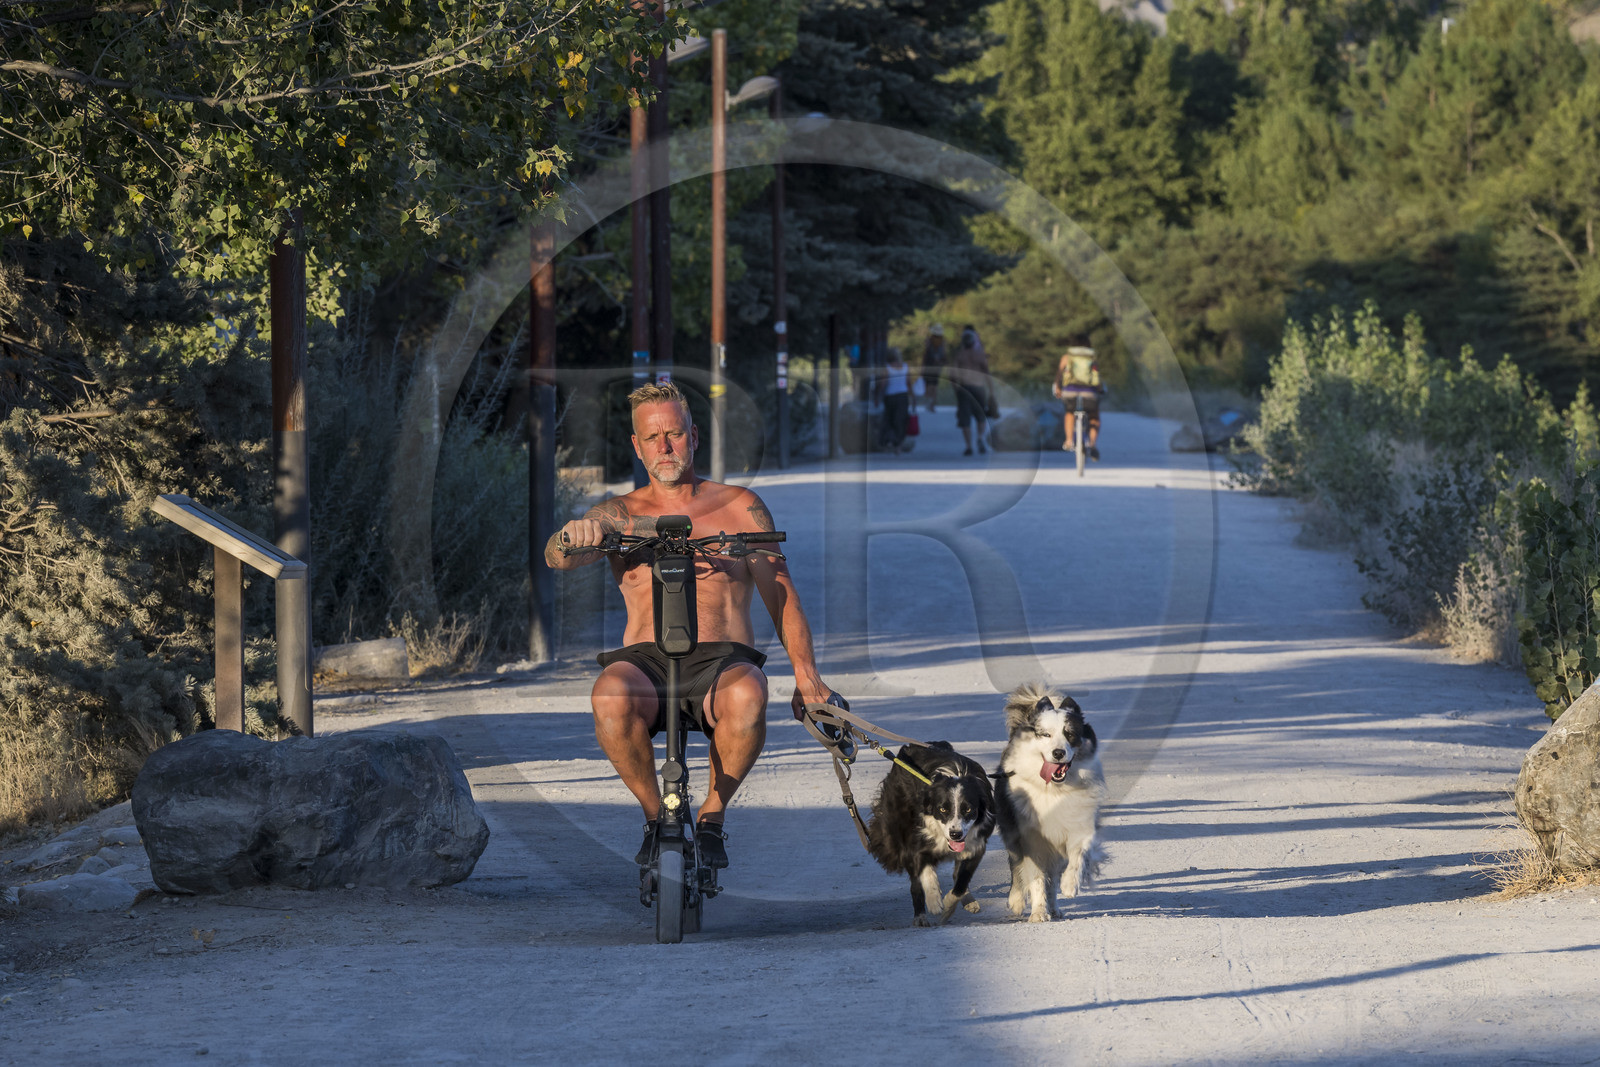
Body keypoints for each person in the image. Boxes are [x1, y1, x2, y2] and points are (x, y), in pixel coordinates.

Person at [546, 381, 841, 872]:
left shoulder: (739, 507)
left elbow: (780, 593)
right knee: (608, 696)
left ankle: (710, 819)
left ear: (694, 436)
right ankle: (655, 815)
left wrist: (808, 678)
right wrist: (573, 534)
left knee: (749, 696)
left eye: (675, 434)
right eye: (653, 437)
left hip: (722, 661)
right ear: (637, 446)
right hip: (645, 662)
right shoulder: (619, 514)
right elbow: (558, 557)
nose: (665, 446)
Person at [1053, 343, 1103, 460]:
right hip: (1089, 393)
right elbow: (1097, 377)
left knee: (1069, 412)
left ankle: (1069, 440)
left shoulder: (1066, 357)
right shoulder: (1091, 357)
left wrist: (1058, 388)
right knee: (1094, 415)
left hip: (1070, 391)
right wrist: (1100, 389)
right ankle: (1092, 444)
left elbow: (1059, 375)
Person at [949, 324, 992, 456]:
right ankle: (980, 437)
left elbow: (953, 375)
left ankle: (968, 446)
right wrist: (992, 392)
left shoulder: (960, 356)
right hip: (979, 387)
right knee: (981, 416)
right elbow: (987, 373)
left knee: (965, 418)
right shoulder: (980, 355)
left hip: (964, 388)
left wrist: (956, 390)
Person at [878, 347, 912, 454]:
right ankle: (898, 445)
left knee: (889, 420)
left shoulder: (887, 368)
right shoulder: (905, 367)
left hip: (890, 396)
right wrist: (913, 398)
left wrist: (877, 396)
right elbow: (909, 383)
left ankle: (888, 442)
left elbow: (883, 384)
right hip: (903, 396)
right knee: (901, 421)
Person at [920, 324, 947, 413]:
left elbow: (925, 355)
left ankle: (928, 403)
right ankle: (932, 405)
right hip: (937, 367)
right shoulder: (942, 342)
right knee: (934, 386)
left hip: (928, 366)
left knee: (928, 385)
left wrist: (922, 367)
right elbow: (944, 355)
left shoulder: (929, 341)